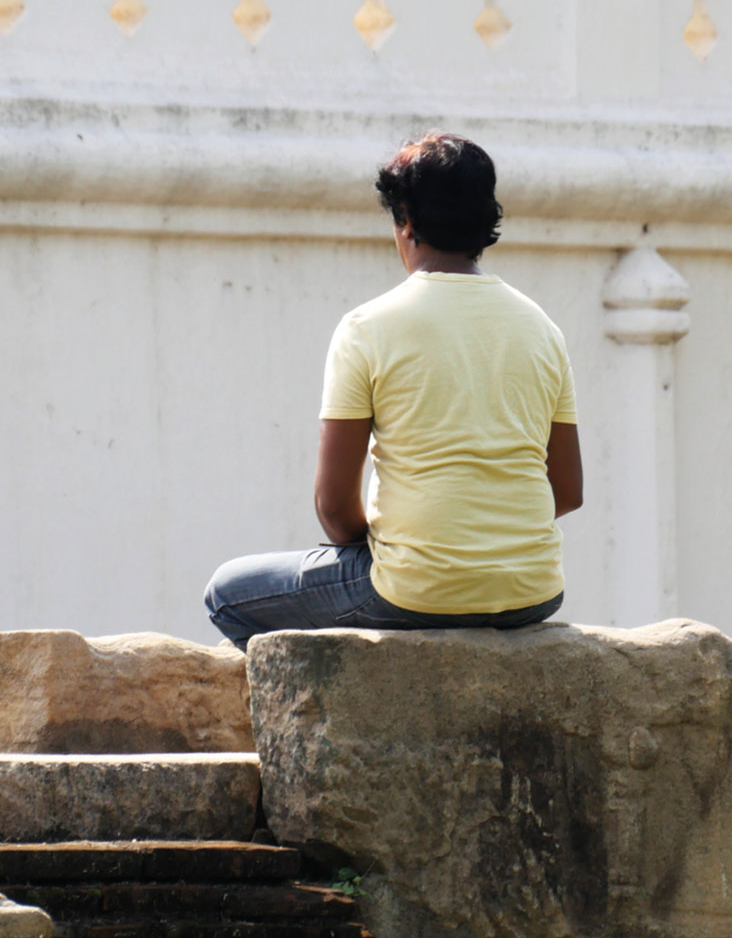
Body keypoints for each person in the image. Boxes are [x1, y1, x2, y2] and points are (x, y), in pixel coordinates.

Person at [204, 132, 582, 650]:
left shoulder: (368, 327)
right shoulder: (543, 329)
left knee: (226, 593)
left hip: (412, 590)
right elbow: (568, 490)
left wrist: (413, 553)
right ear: (485, 218)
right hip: (533, 593)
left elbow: (334, 508)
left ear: (405, 219)